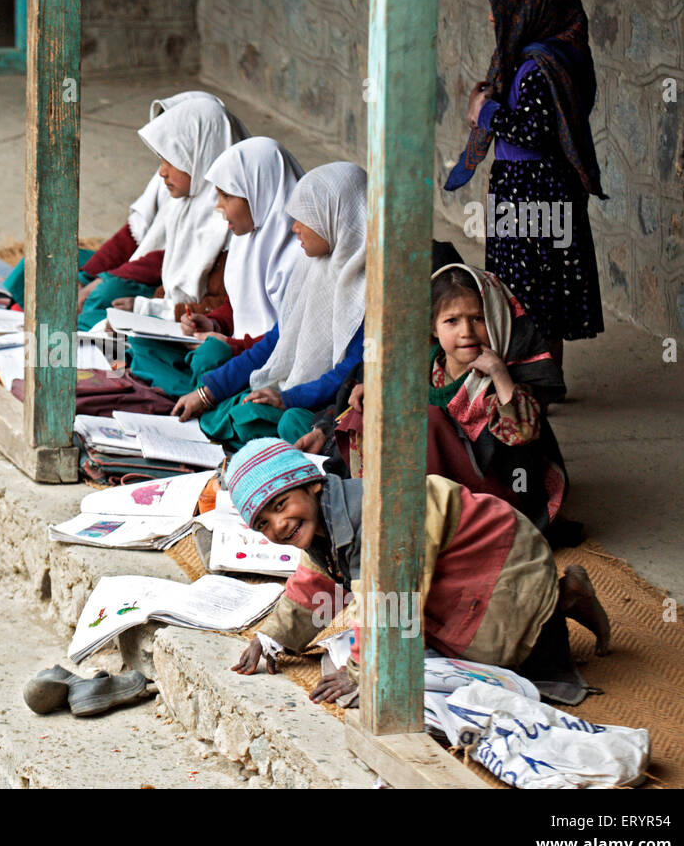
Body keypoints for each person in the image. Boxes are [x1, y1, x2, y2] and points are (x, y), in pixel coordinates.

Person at [223, 440, 610, 705]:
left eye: (280, 504)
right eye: (263, 523)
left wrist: (361, 672)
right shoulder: (328, 526)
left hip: (505, 567)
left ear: (314, 486)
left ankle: (558, 602)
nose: (278, 524)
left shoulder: (378, 515)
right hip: (455, 572)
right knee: (417, 645)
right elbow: (314, 585)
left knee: (490, 660)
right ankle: (561, 598)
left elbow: (389, 601)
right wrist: (272, 638)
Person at [300, 263, 571, 537]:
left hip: (485, 489)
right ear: (433, 327)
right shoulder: (426, 364)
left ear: (496, 319)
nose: (466, 331)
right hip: (432, 480)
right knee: (363, 412)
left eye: (478, 318)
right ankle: (376, 506)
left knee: (428, 421)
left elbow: (521, 434)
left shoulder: (503, 378)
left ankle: (428, 524)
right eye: (451, 321)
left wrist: (500, 374)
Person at [446, 0, 607, 382]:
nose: (491, 15)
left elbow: (535, 132)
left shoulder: (540, 66)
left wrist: (487, 111)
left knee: (530, 288)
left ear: (531, 6)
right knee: (543, 284)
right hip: (541, 186)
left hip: (533, 190)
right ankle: (545, 377)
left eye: (502, 5)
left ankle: (537, 381)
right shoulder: (562, 56)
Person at [171, 162, 367, 448]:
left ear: (336, 218)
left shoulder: (367, 289)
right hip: (290, 391)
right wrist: (208, 392)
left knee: (271, 417)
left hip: (325, 408)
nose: (294, 228)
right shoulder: (311, 268)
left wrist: (289, 398)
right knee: (227, 396)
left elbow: (348, 373)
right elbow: (276, 342)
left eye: (305, 219)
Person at [126, 136, 306, 399]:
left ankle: (197, 396)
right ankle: (196, 394)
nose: (218, 206)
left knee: (212, 360)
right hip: (230, 350)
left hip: (266, 366)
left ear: (260, 192)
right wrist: (213, 322)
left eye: (226, 196)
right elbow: (238, 305)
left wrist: (233, 347)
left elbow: (289, 339)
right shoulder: (246, 241)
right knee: (142, 343)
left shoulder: (297, 256)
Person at [81, 95, 246, 331]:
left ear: (199, 153)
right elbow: (142, 240)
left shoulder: (232, 216)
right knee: (97, 304)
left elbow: (225, 304)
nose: (161, 172)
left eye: (173, 158)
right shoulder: (183, 196)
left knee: (105, 302)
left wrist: (147, 309)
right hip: (171, 307)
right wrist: (91, 276)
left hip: (195, 320)